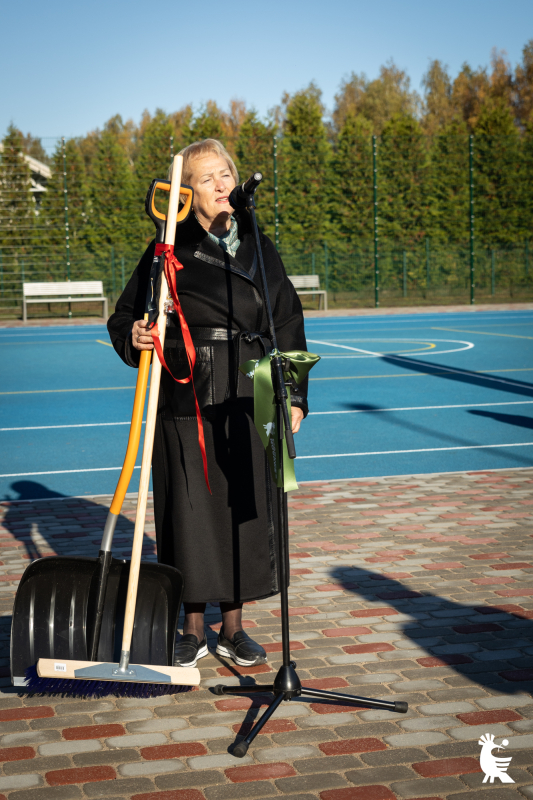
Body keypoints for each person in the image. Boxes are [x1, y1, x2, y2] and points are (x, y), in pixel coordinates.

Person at [107, 139, 308, 669]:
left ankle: (233, 627)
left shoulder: (261, 246)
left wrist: (295, 396)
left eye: (226, 175)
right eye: (207, 179)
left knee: (244, 508)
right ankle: (192, 627)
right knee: (190, 510)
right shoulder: (166, 247)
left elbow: (286, 320)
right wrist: (137, 331)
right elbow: (126, 314)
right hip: (185, 394)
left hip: (250, 393)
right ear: (186, 194)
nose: (221, 186)